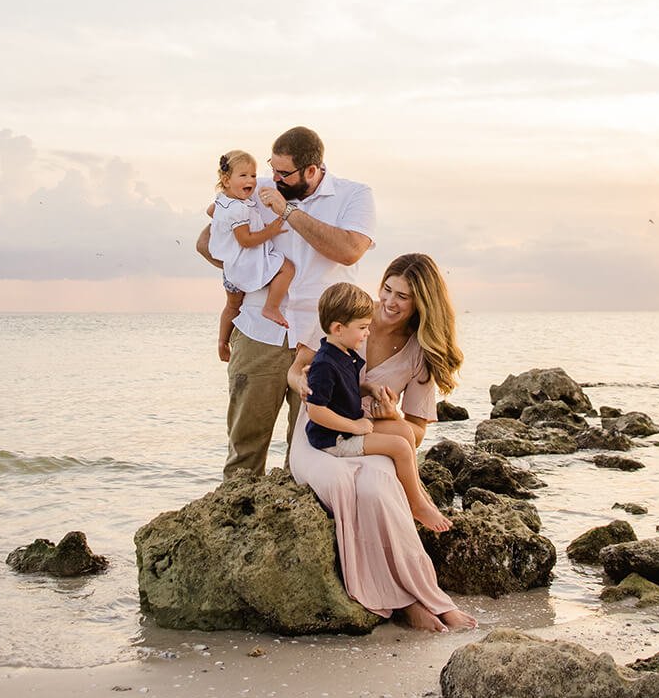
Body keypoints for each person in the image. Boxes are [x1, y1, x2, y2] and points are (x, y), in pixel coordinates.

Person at [286, 253, 477, 632]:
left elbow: (416, 432)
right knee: (341, 485)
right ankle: (407, 604)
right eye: (387, 289)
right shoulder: (347, 311)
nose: (389, 302)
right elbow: (295, 371)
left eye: (403, 297)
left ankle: (424, 595)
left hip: (373, 434)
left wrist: (390, 415)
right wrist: (305, 388)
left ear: (422, 302)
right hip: (320, 434)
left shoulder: (422, 350)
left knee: (376, 487)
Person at [195, 127, 376, 479]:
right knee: (243, 450)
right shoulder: (253, 188)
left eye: (283, 173)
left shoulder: (354, 195)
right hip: (258, 333)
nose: (273, 178)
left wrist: (288, 212)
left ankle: (299, 528)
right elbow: (207, 242)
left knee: (310, 452)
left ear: (312, 170)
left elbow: (350, 251)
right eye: (271, 168)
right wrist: (253, 273)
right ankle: (233, 524)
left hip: (321, 341)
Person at [302, 281, 452, 533]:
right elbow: (316, 410)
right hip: (335, 437)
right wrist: (355, 426)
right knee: (400, 447)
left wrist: (369, 391)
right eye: (362, 328)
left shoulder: (344, 353)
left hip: (350, 426)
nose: (368, 333)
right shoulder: (325, 363)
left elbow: (345, 390)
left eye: (402, 296)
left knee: (405, 433)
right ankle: (416, 504)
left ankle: (419, 497)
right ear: (338, 328)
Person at [209, 150, 295, 362]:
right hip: (246, 263)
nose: (251, 181)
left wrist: (224, 224)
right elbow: (246, 240)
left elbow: (211, 211)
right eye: (243, 176)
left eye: (253, 176)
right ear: (226, 180)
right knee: (287, 268)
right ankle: (271, 307)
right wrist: (270, 231)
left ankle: (222, 342)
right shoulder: (238, 209)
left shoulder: (223, 201)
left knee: (232, 305)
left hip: (230, 270)